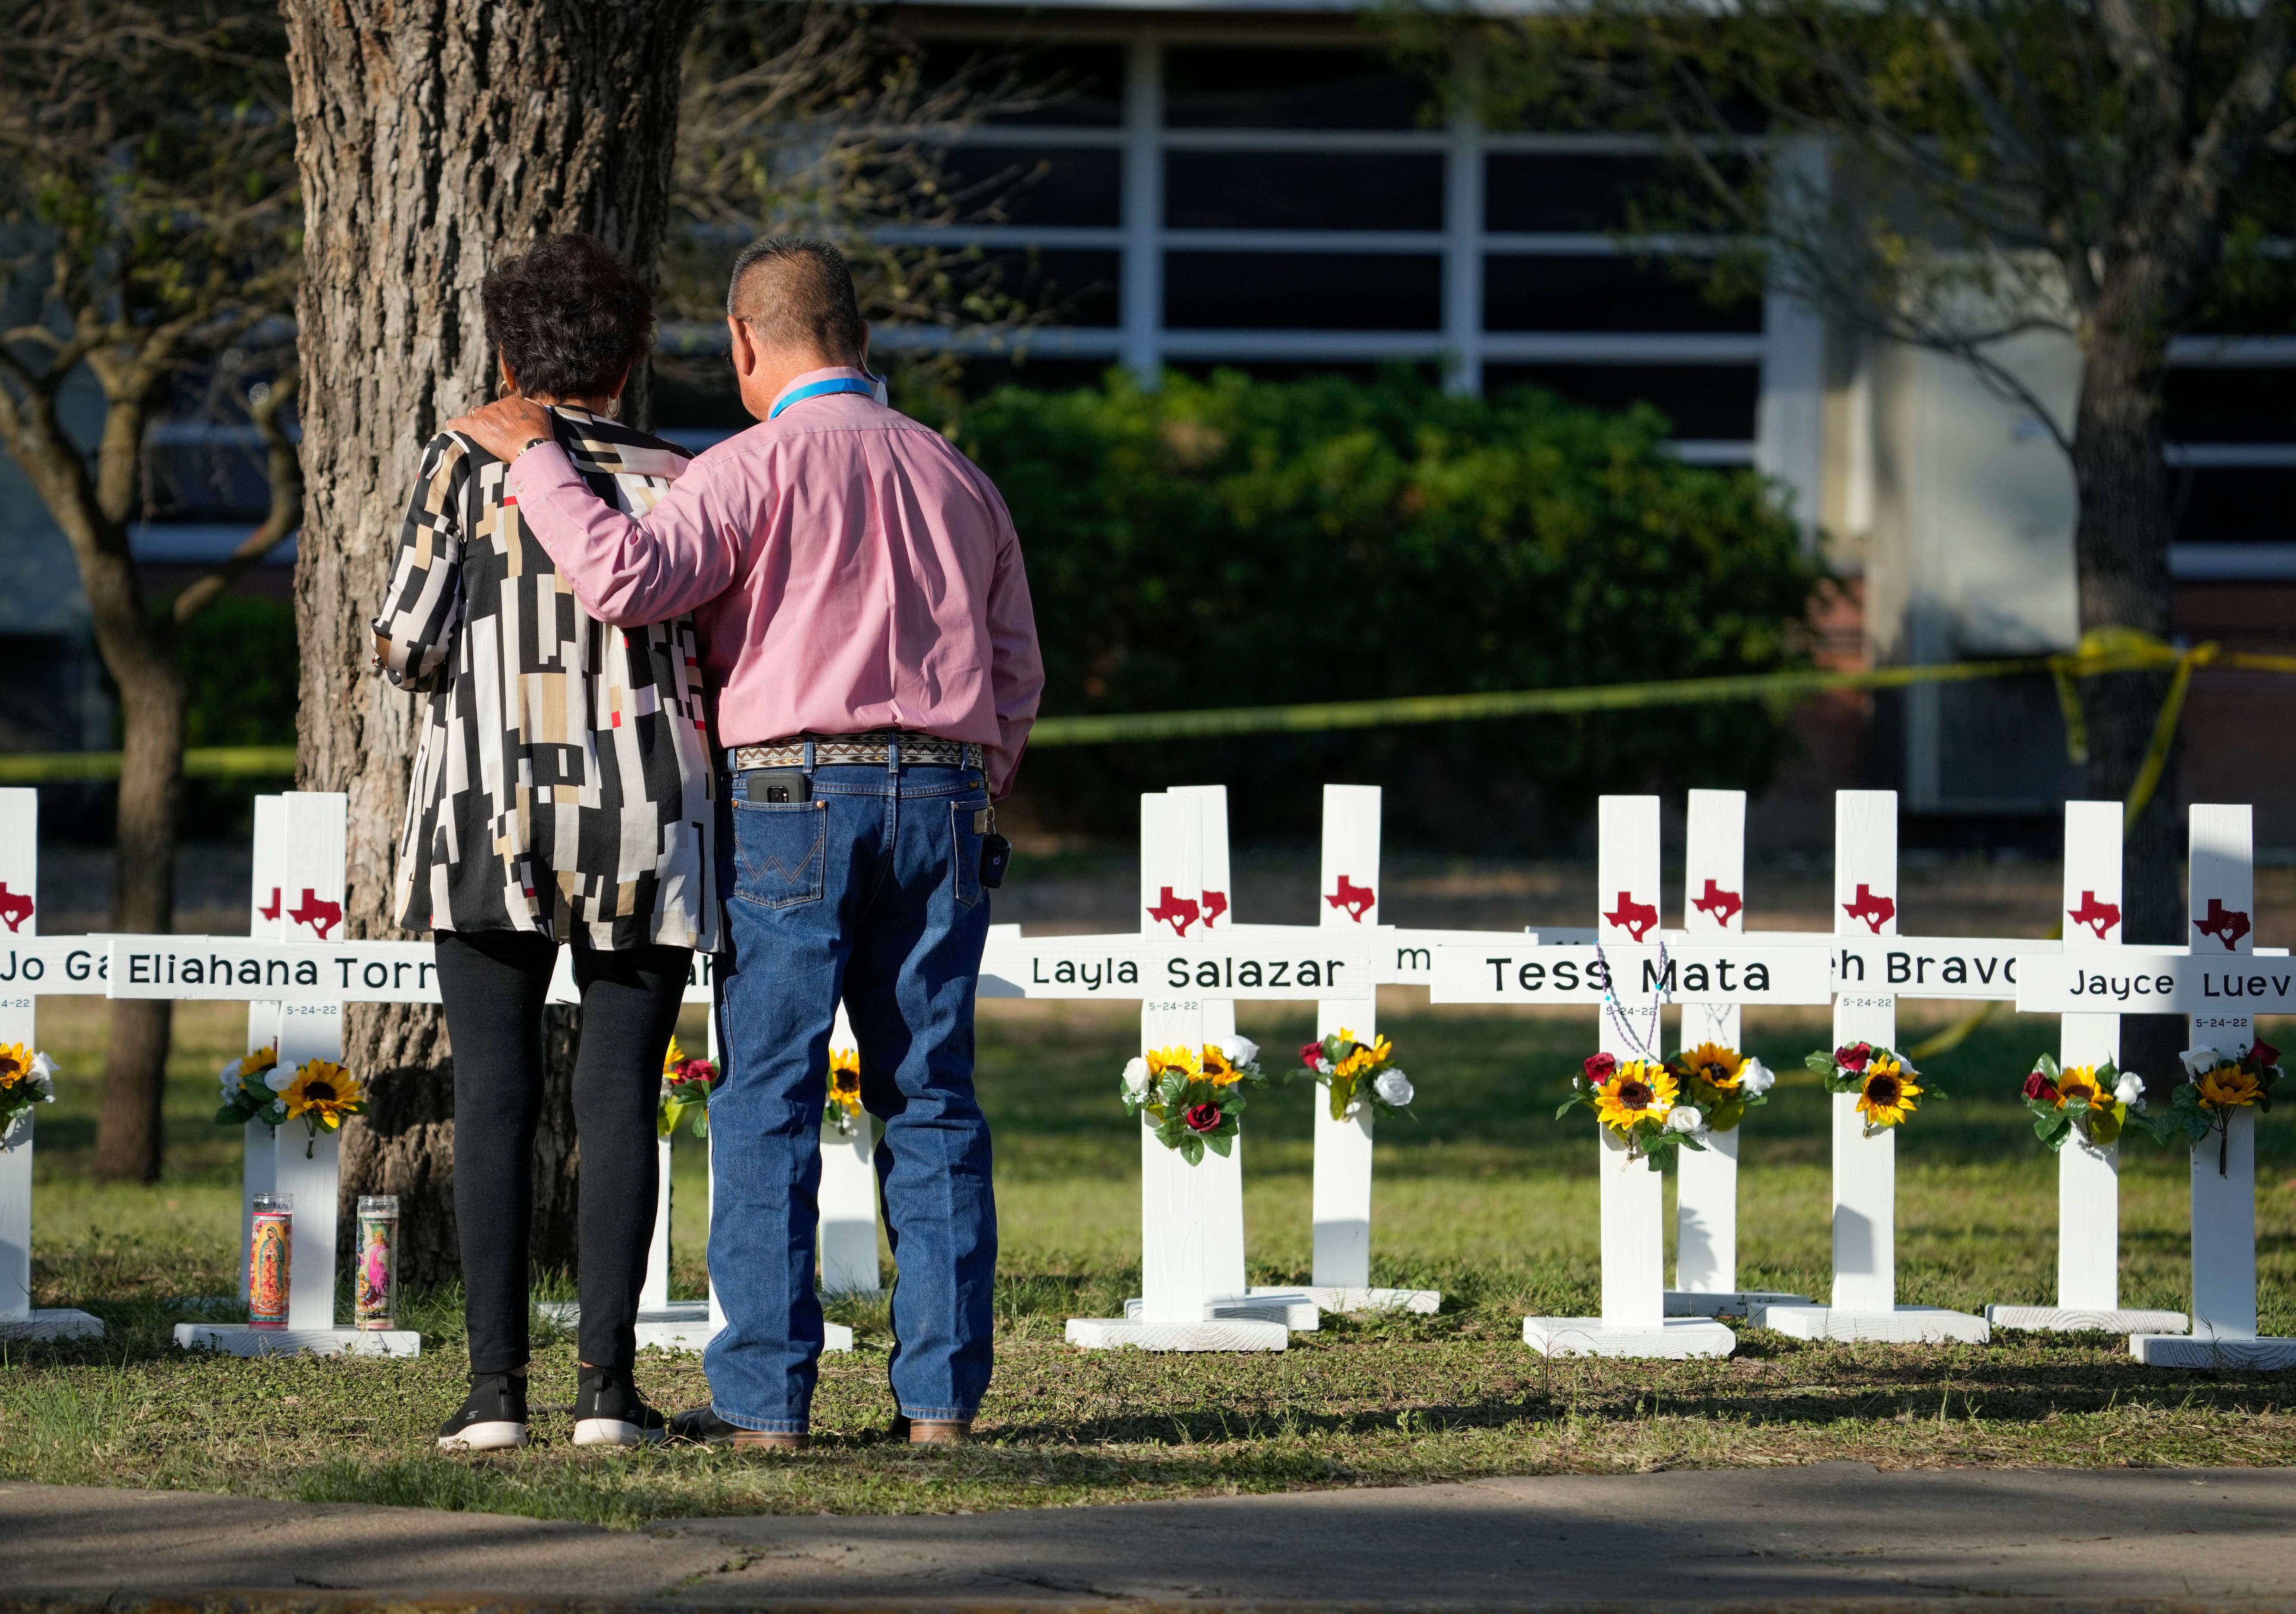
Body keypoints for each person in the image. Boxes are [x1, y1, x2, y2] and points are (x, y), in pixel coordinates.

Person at [447, 238, 1042, 1448]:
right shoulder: (959, 475)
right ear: (862, 341)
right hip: (942, 793)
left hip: (791, 794)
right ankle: (939, 1406)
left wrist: (541, 458)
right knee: (932, 1097)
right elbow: (1016, 666)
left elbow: (628, 578)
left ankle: (767, 1405)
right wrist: (977, 777)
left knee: (769, 1092)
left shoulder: (748, 467)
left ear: (743, 341)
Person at [374, 234, 715, 1452]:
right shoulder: (683, 474)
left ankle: (494, 1394)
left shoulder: (468, 459)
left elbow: (408, 644)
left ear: (510, 358)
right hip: (649, 810)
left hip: (493, 806)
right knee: (622, 1097)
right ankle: (609, 1391)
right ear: (629, 359)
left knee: (495, 1096)